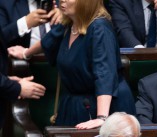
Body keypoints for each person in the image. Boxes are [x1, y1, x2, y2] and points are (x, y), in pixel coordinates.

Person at [8, 0, 135, 129]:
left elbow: (105, 74)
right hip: (75, 104)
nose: (62, 0)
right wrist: (26, 53)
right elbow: (48, 41)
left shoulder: (99, 28)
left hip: (105, 107)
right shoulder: (69, 24)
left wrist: (102, 117)